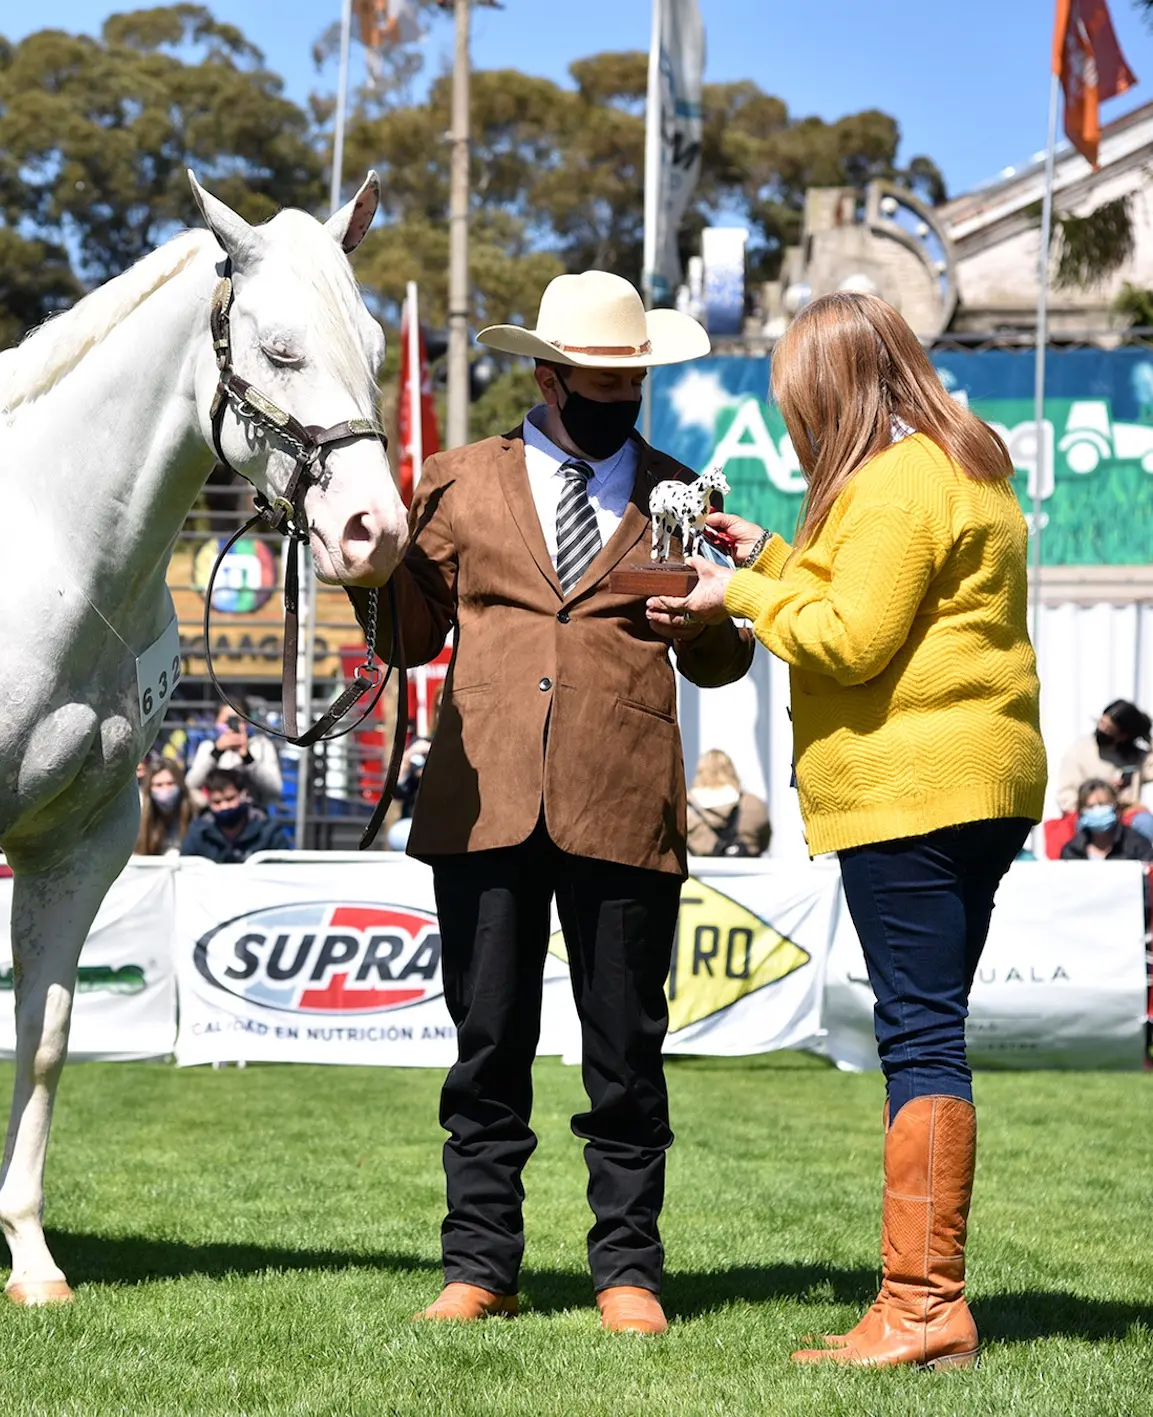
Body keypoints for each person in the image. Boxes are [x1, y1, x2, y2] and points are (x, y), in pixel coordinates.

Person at [349, 270, 752, 1334]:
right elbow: (408, 638)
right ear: (545, 374)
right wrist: (370, 564)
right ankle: (478, 1264)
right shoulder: (451, 481)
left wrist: (705, 626)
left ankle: (628, 1271)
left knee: (625, 1054)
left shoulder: (680, 492)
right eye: (595, 379)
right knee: (485, 1050)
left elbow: (720, 664)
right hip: (481, 802)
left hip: (623, 800)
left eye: (631, 380)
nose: (617, 396)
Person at [657, 291, 1047, 1369]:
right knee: (929, 1028)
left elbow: (851, 639)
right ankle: (920, 1301)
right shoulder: (958, 462)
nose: (792, 422)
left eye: (796, 400)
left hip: (907, 791)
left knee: (919, 1039)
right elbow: (887, 604)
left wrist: (734, 589)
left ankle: (922, 1307)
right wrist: (773, 555)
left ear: (826, 389)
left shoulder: (886, 485)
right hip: (984, 781)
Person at [1054, 699, 1150, 817]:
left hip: (1125, 821)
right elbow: (1066, 796)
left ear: (1123, 736)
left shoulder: (1134, 756)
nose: (1102, 731)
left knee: (1144, 820)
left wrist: (1148, 737)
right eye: (1101, 724)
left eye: (1109, 730)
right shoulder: (1079, 752)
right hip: (1089, 818)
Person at [179, 768, 291, 863]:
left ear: (244, 795)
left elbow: (284, 868)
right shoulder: (198, 833)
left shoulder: (268, 831)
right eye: (217, 802)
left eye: (230, 799)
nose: (225, 806)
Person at [185, 704, 282, 806]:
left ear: (247, 722)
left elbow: (274, 789)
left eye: (239, 721)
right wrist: (216, 752)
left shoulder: (261, 745)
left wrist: (248, 758)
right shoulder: (207, 747)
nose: (232, 727)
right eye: (227, 722)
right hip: (215, 815)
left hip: (253, 814)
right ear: (216, 723)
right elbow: (191, 784)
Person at [684, 750, 771, 858]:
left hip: (701, 872)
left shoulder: (684, 810)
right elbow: (764, 840)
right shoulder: (753, 804)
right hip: (749, 871)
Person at [1058, 779, 1153, 863]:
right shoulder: (1072, 850)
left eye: (1102, 804)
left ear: (1115, 807)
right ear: (1081, 811)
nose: (1097, 810)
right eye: (1091, 806)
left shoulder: (1137, 844)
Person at [136, 757, 195, 855]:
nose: (165, 790)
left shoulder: (196, 811)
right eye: (159, 785)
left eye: (170, 783)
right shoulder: (138, 817)